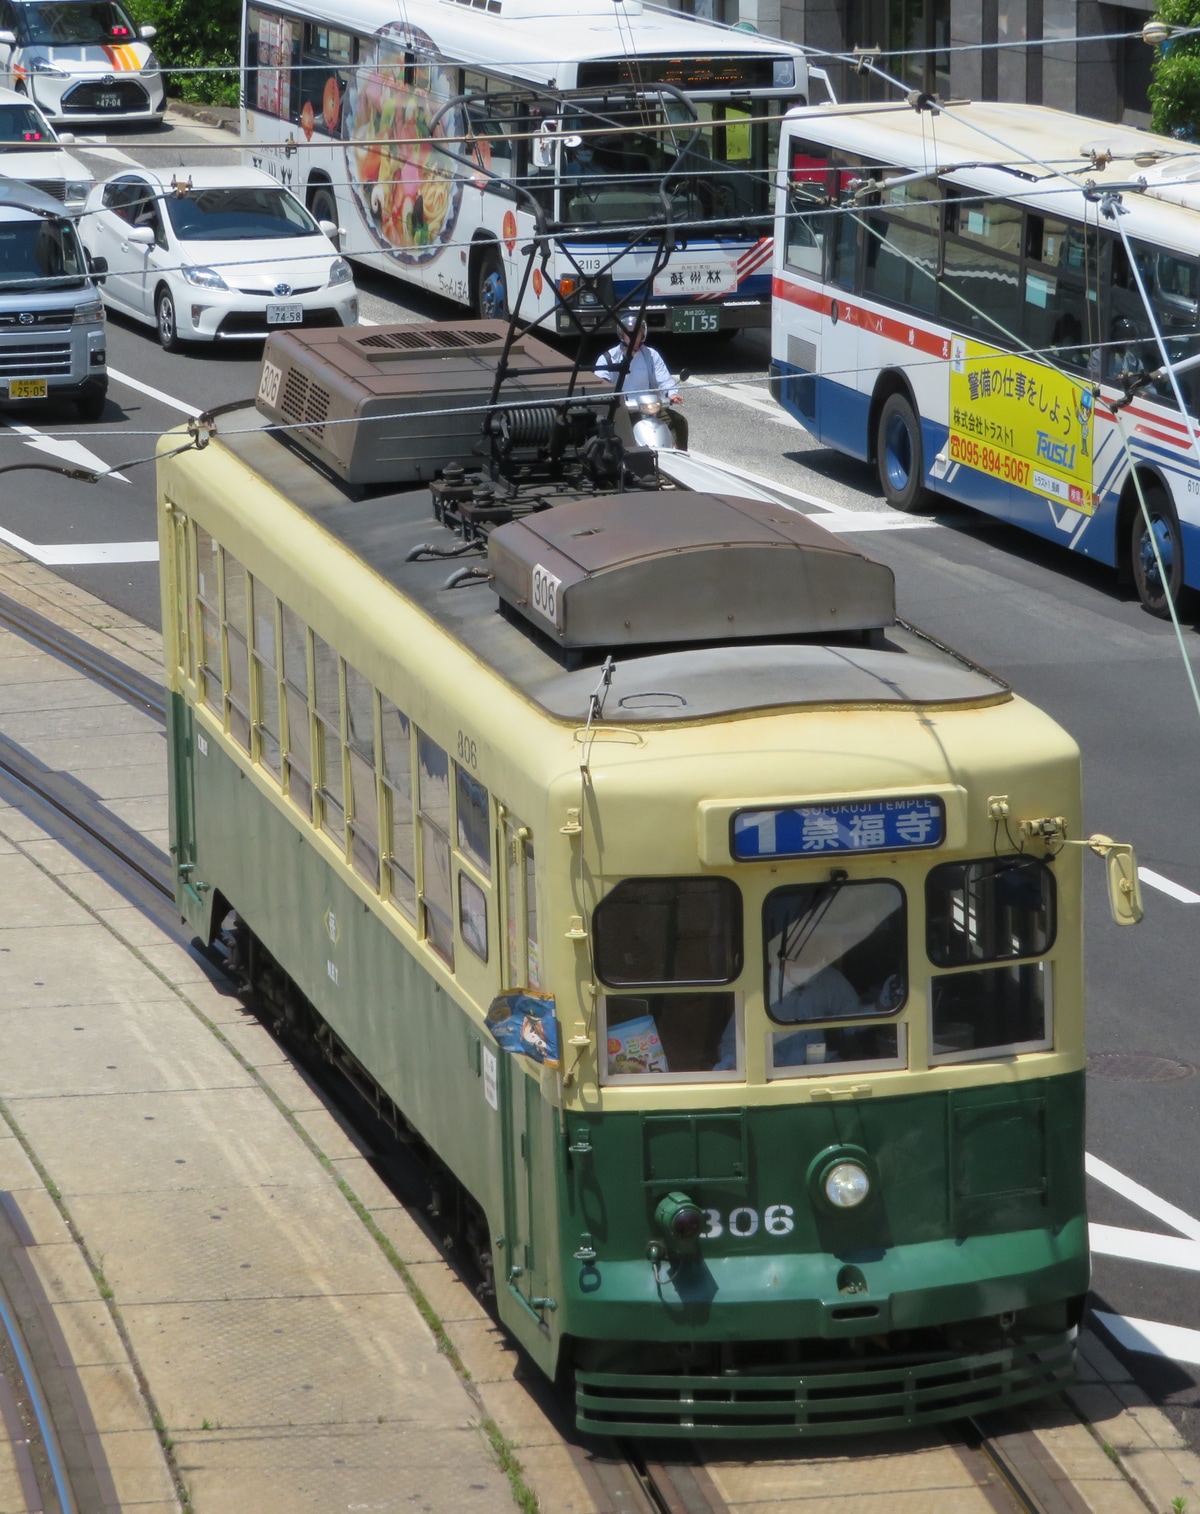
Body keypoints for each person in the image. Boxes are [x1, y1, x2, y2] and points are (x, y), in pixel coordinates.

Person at [594, 313, 687, 447]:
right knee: (617, 434)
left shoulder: (651, 355)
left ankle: (679, 456)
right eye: (629, 333)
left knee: (678, 422)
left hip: (650, 408)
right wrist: (611, 398)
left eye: (637, 333)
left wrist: (672, 393)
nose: (633, 337)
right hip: (623, 409)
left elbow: (664, 379)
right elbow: (602, 382)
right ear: (622, 335)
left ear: (642, 335)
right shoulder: (608, 357)